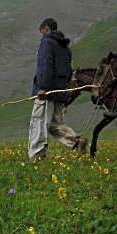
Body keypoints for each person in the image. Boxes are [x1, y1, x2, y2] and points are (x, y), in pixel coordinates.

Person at [28, 18, 87, 161]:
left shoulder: (46, 43)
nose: (41, 35)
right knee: (54, 123)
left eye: (42, 31)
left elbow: (45, 66)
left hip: (46, 92)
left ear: (46, 29)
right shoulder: (65, 48)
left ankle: (37, 154)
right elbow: (68, 71)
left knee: (39, 121)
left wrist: (42, 87)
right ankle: (76, 142)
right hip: (60, 92)